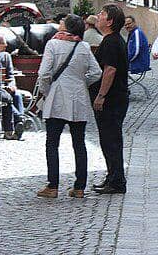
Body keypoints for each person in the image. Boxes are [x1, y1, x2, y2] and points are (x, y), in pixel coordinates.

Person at [35, 15, 102, 199]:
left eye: (63, 22)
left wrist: (46, 91)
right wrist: (81, 82)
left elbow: (44, 73)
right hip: (78, 98)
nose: (60, 24)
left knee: (52, 143)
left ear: (68, 27)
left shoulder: (53, 44)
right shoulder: (83, 46)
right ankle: (79, 187)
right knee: (79, 143)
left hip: (57, 97)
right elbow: (96, 72)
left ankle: (53, 185)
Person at [91, 4, 129, 194]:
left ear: (110, 21)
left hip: (112, 99)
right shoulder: (112, 40)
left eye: (102, 14)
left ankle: (116, 181)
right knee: (109, 140)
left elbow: (110, 70)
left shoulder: (111, 42)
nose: (98, 16)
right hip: (115, 98)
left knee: (111, 140)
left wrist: (101, 95)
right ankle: (112, 176)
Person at [0, 33, 24, 139]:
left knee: (16, 95)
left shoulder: (6, 56)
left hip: (5, 88)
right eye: (3, 43)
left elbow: (10, 75)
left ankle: (18, 124)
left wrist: (12, 85)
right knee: (7, 98)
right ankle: (20, 119)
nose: (6, 45)